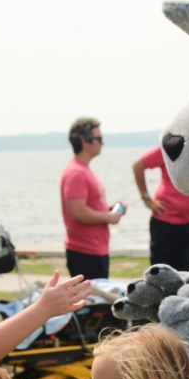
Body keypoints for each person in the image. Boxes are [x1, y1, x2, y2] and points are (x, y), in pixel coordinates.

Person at [61, 117, 126, 280]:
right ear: (85, 142)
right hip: (85, 252)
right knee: (93, 304)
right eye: (99, 139)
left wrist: (110, 210)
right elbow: (77, 211)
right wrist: (109, 217)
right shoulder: (76, 173)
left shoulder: (83, 170)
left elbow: (87, 207)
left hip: (96, 249)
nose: (102, 143)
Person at [132, 144, 189, 270]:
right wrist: (147, 199)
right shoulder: (170, 146)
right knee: (162, 275)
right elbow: (138, 165)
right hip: (164, 222)